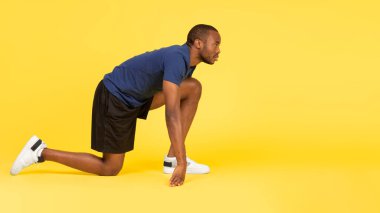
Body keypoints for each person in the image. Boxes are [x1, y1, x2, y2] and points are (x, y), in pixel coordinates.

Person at [10, 24, 221, 187]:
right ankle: (40, 151)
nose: (218, 50)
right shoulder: (177, 57)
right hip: (115, 97)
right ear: (199, 43)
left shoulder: (187, 62)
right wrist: (184, 164)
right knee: (110, 168)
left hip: (137, 97)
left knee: (192, 87)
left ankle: (172, 159)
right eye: (216, 43)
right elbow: (172, 113)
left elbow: (172, 98)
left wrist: (179, 157)